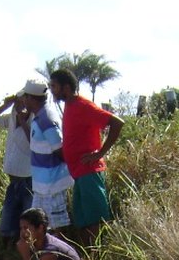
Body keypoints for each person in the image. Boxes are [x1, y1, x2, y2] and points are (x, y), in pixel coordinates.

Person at [49, 68, 125, 247]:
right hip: (79, 173)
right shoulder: (69, 105)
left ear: (66, 87)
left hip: (89, 171)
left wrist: (100, 153)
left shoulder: (84, 106)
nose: (52, 90)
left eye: (54, 86)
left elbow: (117, 123)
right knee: (83, 221)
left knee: (94, 220)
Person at [23, 78, 73, 236]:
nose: (23, 101)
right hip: (43, 187)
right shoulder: (40, 117)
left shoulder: (47, 119)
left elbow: (60, 150)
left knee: (56, 230)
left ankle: (59, 258)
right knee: (41, 228)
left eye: (25, 97)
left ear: (31, 98)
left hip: (52, 186)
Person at [0, 86, 33, 246]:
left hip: (29, 180)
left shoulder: (35, 119)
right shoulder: (12, 116)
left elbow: (33, 142)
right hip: (14, 180)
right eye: (18, 103)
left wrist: (22, 120)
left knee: (28, 220)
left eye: (23, 102)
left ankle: (28, 253)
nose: (21, 107)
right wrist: (6, 105)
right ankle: (10, 252)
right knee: (8, 223)